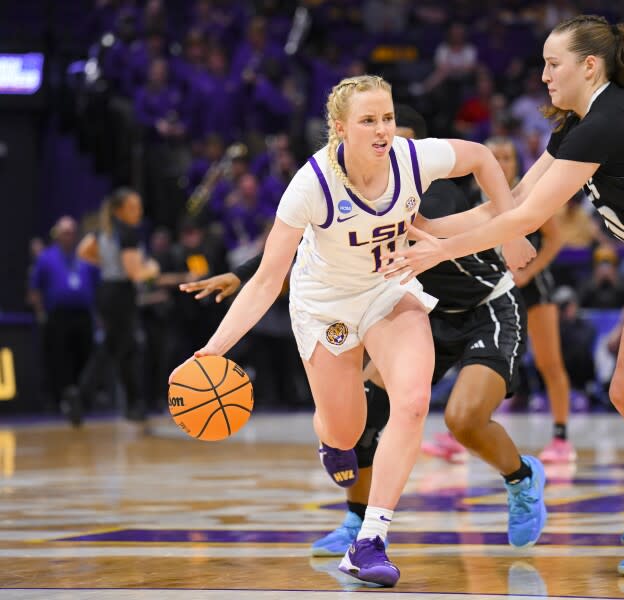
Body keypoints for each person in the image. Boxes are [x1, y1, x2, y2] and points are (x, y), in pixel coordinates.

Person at [382, 15, 624, 577]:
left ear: (590, 66)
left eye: (552, 63)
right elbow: (511, 196)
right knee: (623, 390)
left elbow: (531, 218)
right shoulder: (575, 124)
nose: (542, 75)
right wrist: (428, 230)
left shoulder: (606, 123)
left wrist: (438, 253)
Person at [170, 76, 534, 588]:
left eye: (386, 118)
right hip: (326, 308)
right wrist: (211, 352)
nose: (383, 129)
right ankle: (330, 439)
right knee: (345, 429)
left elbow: (480, 156)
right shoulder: (312, 184)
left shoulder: (412, 158)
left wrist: (513, 227)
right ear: (340, 129)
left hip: (389, 291)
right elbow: (268, 279)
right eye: (369, 121)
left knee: (411, 403)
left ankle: (370, 540)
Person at [487, 136, 576, 464]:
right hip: (495, 288)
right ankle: (464, 431)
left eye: (507, 156)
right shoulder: (475, 198)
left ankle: (561, 437)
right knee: (482, 360)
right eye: (494, 156)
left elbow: (555, 239)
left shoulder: (529, 194)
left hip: (534, 288)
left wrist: (528, 271)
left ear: (516, 163)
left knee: (549, 363)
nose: (500, 163)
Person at [77, 188, 160, 423]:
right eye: (134, 207)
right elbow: (135, 274)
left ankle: (85, 398)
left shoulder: (103, 230)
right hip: (121, 294)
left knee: (119, 348)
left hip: (106, 290)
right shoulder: (127, 233)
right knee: (122, 349)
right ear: (120, 210)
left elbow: (82, 251)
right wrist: (152, 269)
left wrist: (107, 263)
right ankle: (124, 403)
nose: (139, 211)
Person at [27, 216, 99, 425]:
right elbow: (35, 289)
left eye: (72, 231)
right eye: (65, 232)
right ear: (57, 234)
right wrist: (41, 313)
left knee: (85, 357)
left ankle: (82, 400)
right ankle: (64, 400)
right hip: (58, 316)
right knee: (60, 359)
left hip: (83, 315)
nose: (69, 235)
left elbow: (97, 285)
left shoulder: (85, 258)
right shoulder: (46, 257)